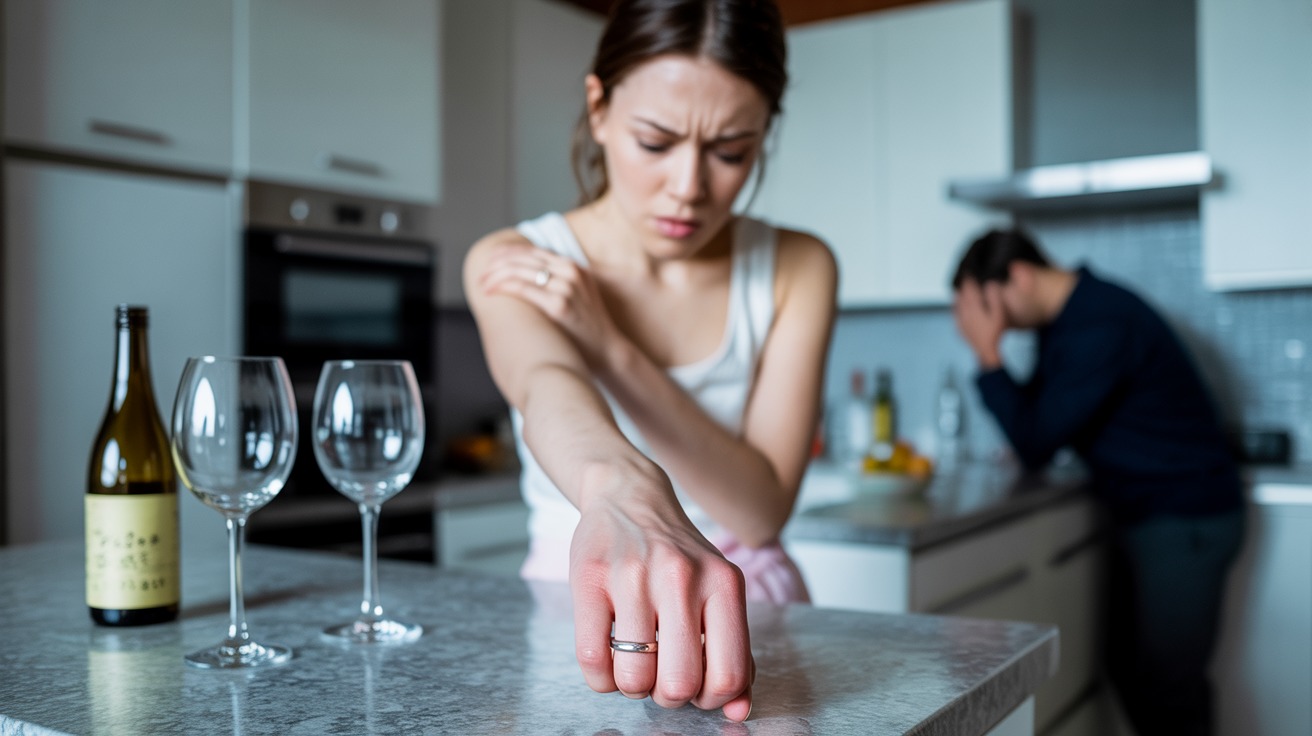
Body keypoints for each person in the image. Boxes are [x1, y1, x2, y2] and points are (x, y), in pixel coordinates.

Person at [463, 0, 837, 722]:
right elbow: (547, 384)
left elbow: (759, 512)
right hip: (579, 611)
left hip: (747, 609)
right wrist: (620, 489)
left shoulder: (797, 264)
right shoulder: (518, 260)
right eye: (656, 142)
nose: (690, 187)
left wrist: (612, 346)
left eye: (731, 151)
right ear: (599, 109)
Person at [949, 228, 1244, 736]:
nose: (988, 322)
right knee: (1131, 667)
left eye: (984, 304)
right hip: (1154, 514)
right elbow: (1039, 423)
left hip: (1185, 517)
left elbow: (1035, 439)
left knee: (1171, 685)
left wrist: (987, 355)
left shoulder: (1099, 322)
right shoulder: (1071, 320)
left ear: (1017, 276)